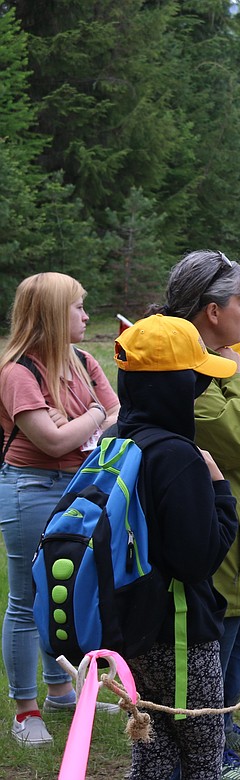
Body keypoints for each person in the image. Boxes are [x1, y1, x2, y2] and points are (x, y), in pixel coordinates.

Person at [146, 249, 240, 773]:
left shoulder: (220, 367)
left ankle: (224, 725)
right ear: (210, 311)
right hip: (223, 528)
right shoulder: (188, 374)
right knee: (216, 640)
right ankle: (206, 741)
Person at [113, 314, 239, 780]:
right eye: (198, 378)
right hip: (179, 630)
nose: (203, 386)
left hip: (129, 625)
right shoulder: (179, 457)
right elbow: (197, 559)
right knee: (203, 756)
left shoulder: (115, 441)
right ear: (177, 386)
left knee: (154, 749)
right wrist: (221, 491)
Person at [0, 273, 120, 746]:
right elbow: (51, 443)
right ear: (51, 315)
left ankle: (63, 692)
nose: (87, 316)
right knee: (28, 600)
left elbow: (118, 418)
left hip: (79, 487)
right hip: (32, 489)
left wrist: (81, 419)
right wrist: (90, 415)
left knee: (66, 592)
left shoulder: (85, 360)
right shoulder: (17, 373)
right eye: (78, 307)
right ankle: (24, 711)